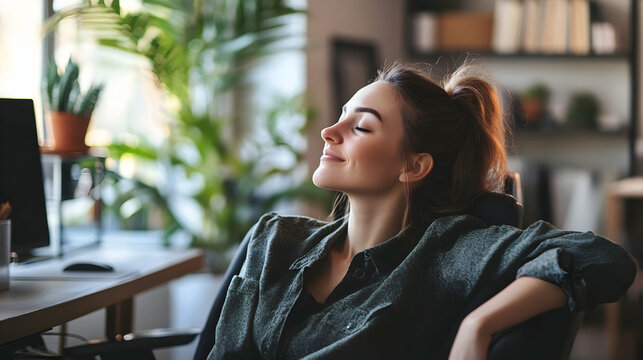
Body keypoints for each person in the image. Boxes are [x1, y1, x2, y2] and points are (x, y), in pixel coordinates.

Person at [207, 63, 636, 359]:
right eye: (341, 116)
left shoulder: (445, 255)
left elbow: (603, 258)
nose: (328, 132)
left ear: (414, 165)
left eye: (360, 126)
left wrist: (479, 324)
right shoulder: (274, 238)